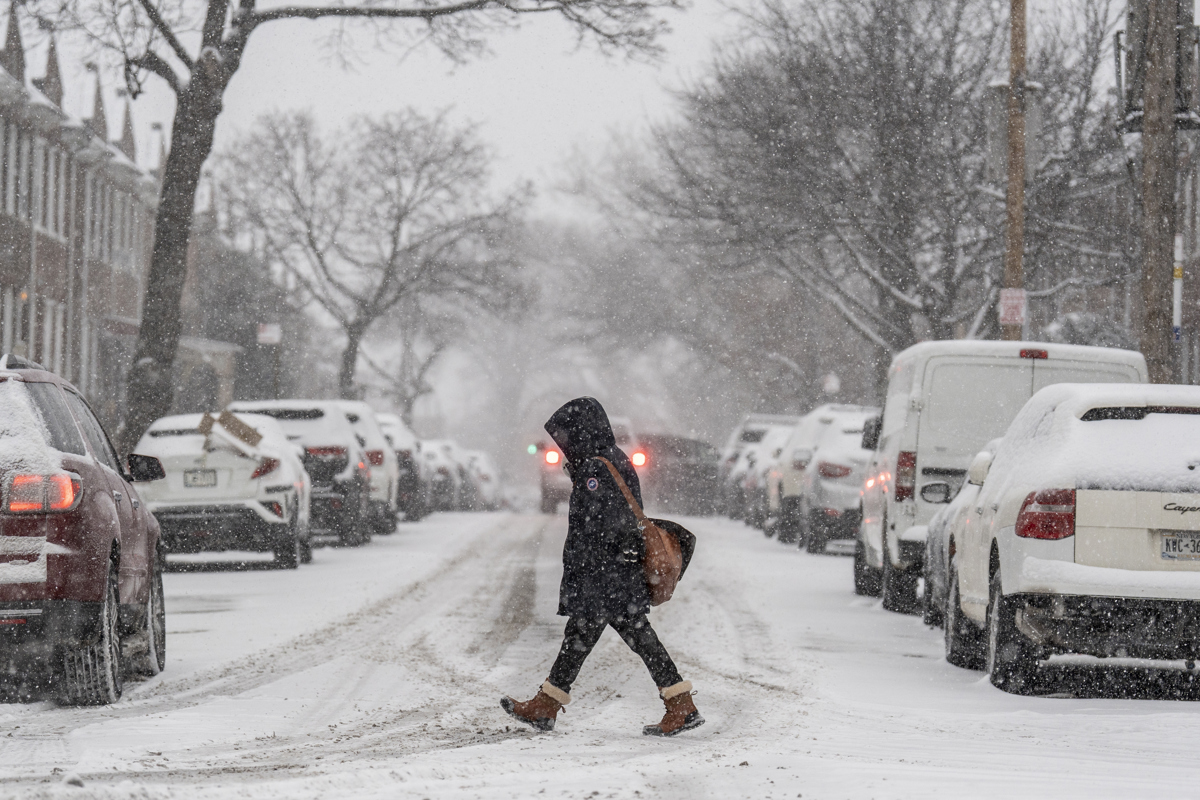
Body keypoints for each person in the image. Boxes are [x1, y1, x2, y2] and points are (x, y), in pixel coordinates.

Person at [501, 397, 703, 737]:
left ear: (582, 432)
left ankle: (679, 705)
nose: (565, 446)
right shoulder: (611, 458)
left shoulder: (597, 467)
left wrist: (593, 566)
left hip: (607, 575)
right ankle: (678, 704)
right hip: (612, 574)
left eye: (567, 437)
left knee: (606, 635)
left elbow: (606, 523)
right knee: (600, 635)